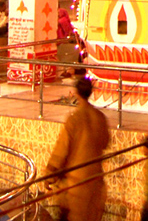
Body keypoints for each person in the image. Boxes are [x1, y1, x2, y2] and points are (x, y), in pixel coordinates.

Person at [46, 76, 110, 221]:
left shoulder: (74, 119)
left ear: (76, 92)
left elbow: (61, 151)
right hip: (95, 183)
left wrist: (49, 174)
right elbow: (105, 142)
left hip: (76, 186)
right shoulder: (100, 117)